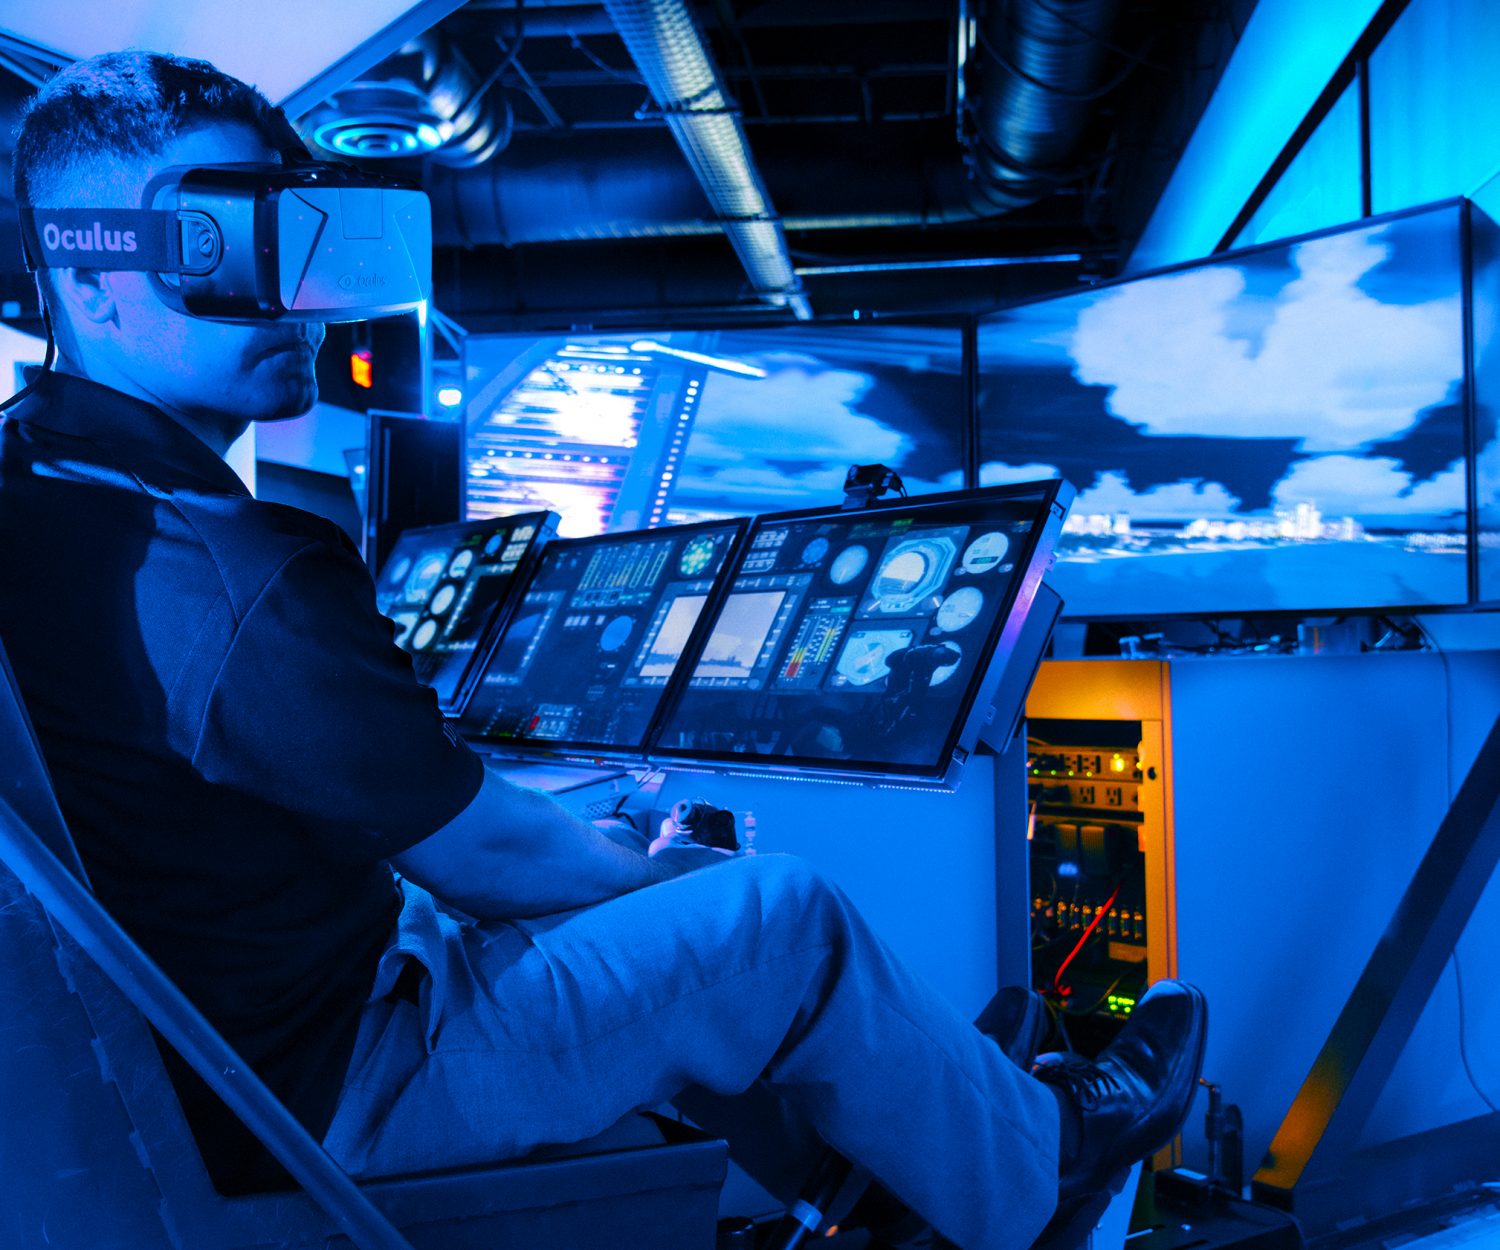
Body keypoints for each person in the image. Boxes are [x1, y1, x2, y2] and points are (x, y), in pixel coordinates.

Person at [0, 51, 1207, 1250]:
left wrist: (613, 866)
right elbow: (492, 860)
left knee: (645, 882)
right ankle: (1041, 1161)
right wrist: (660, 876)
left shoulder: (43, 489)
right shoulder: (225, 563)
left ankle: (907, 1159)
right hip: (325, 1089)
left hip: (198, 1066)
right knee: (777, 918)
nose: (292, 292)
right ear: (92, 284)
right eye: (219, 240)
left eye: (290, 232)